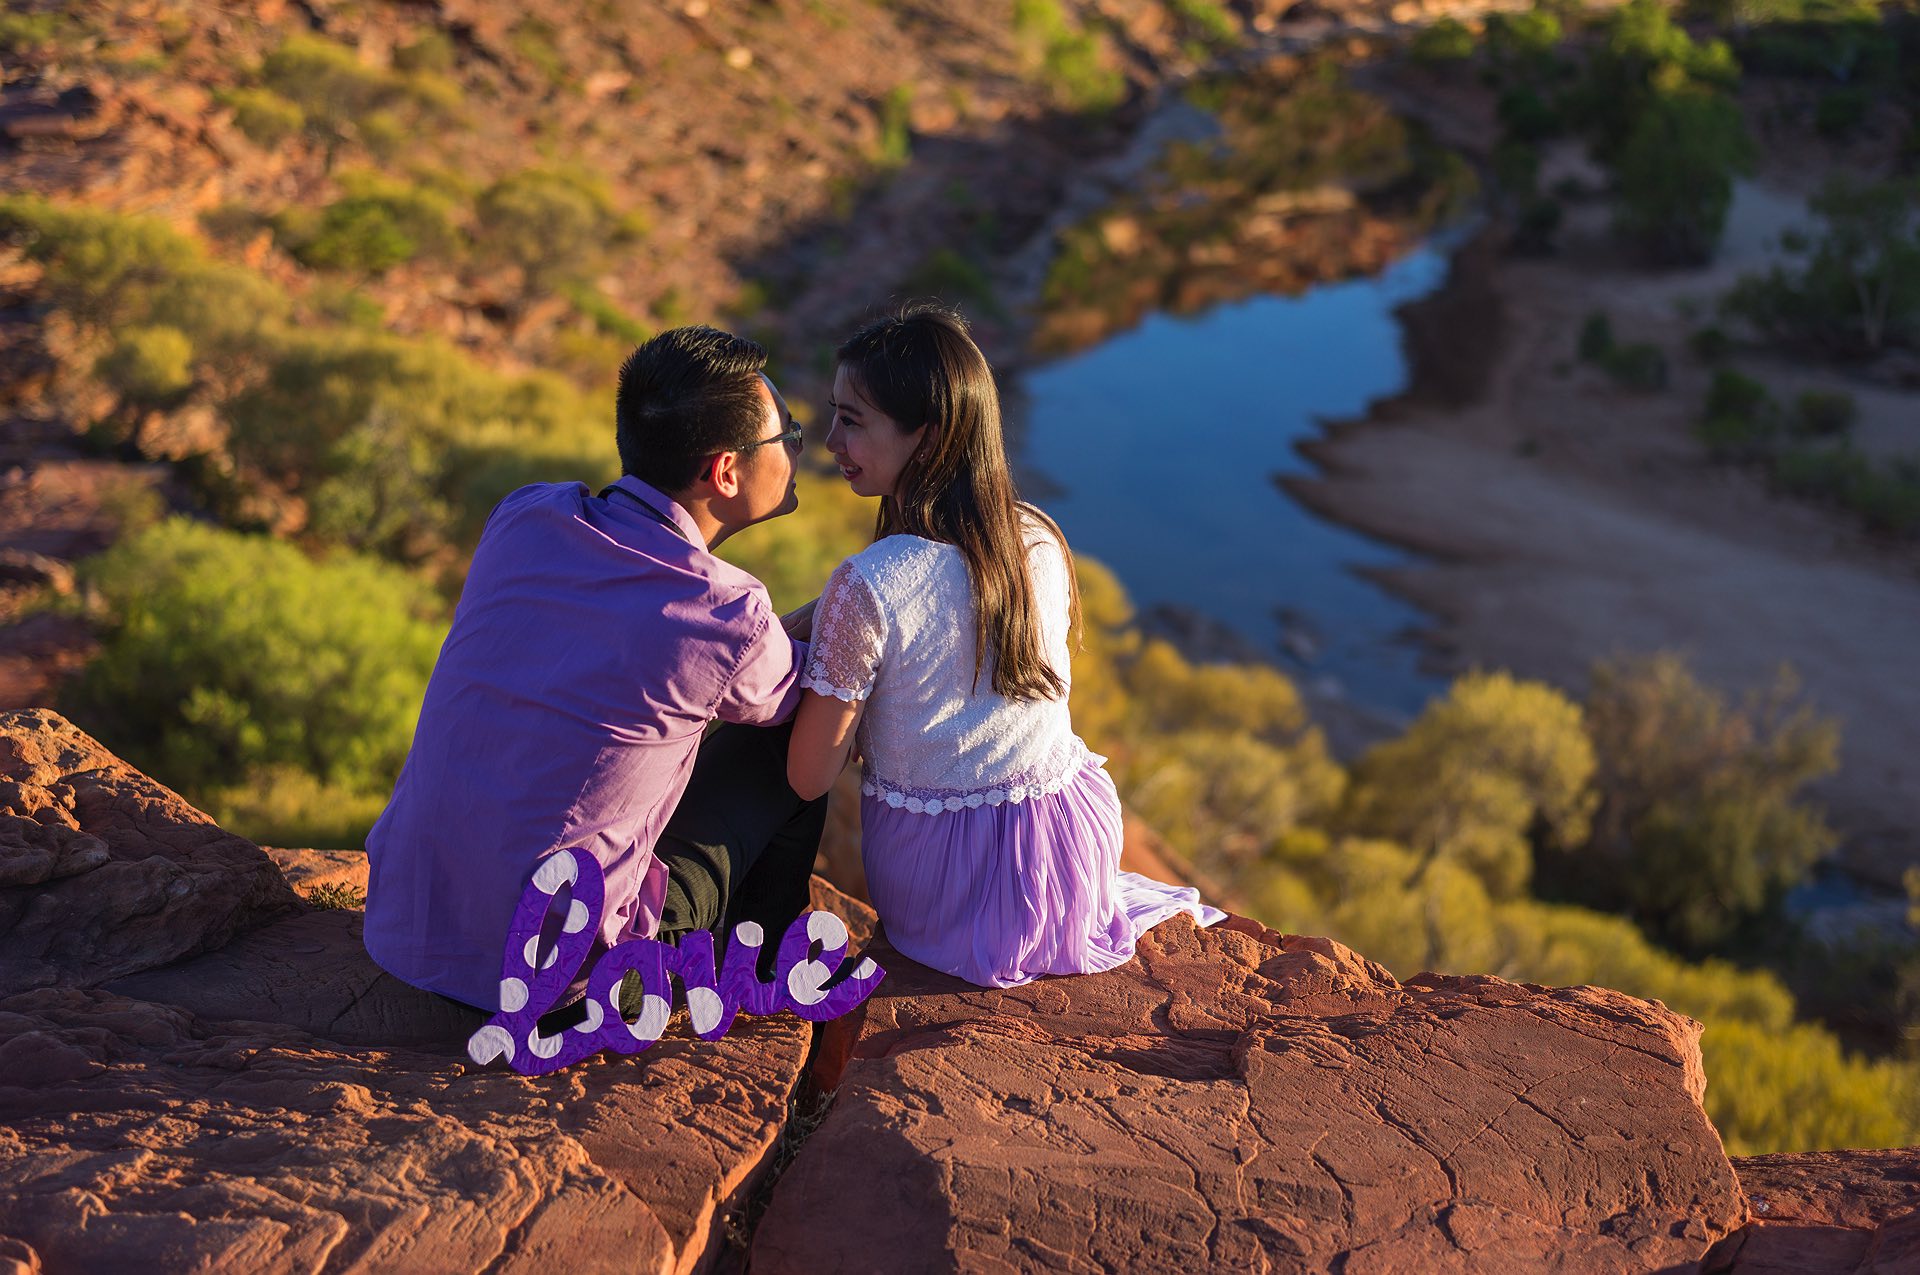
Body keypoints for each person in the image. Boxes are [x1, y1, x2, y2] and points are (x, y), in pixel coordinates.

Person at [365, 326, 825, 1013]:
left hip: (405, 930)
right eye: (785, 433)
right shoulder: (727, 611)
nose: (796, 444)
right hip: (558, 979)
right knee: (796, 745)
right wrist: (858, 596)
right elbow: (810, 699)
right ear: (726, 472)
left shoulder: (525, 515)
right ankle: (752, 972)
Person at [787, 304, 1224, 988]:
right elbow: (941, 605)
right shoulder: (1036, 536)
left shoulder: (869, 582)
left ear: (925, 438)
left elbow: (810, 776)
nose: (830, 438)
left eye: (852, 419)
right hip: (1068, 862)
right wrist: (821, 618)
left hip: (943, 892)